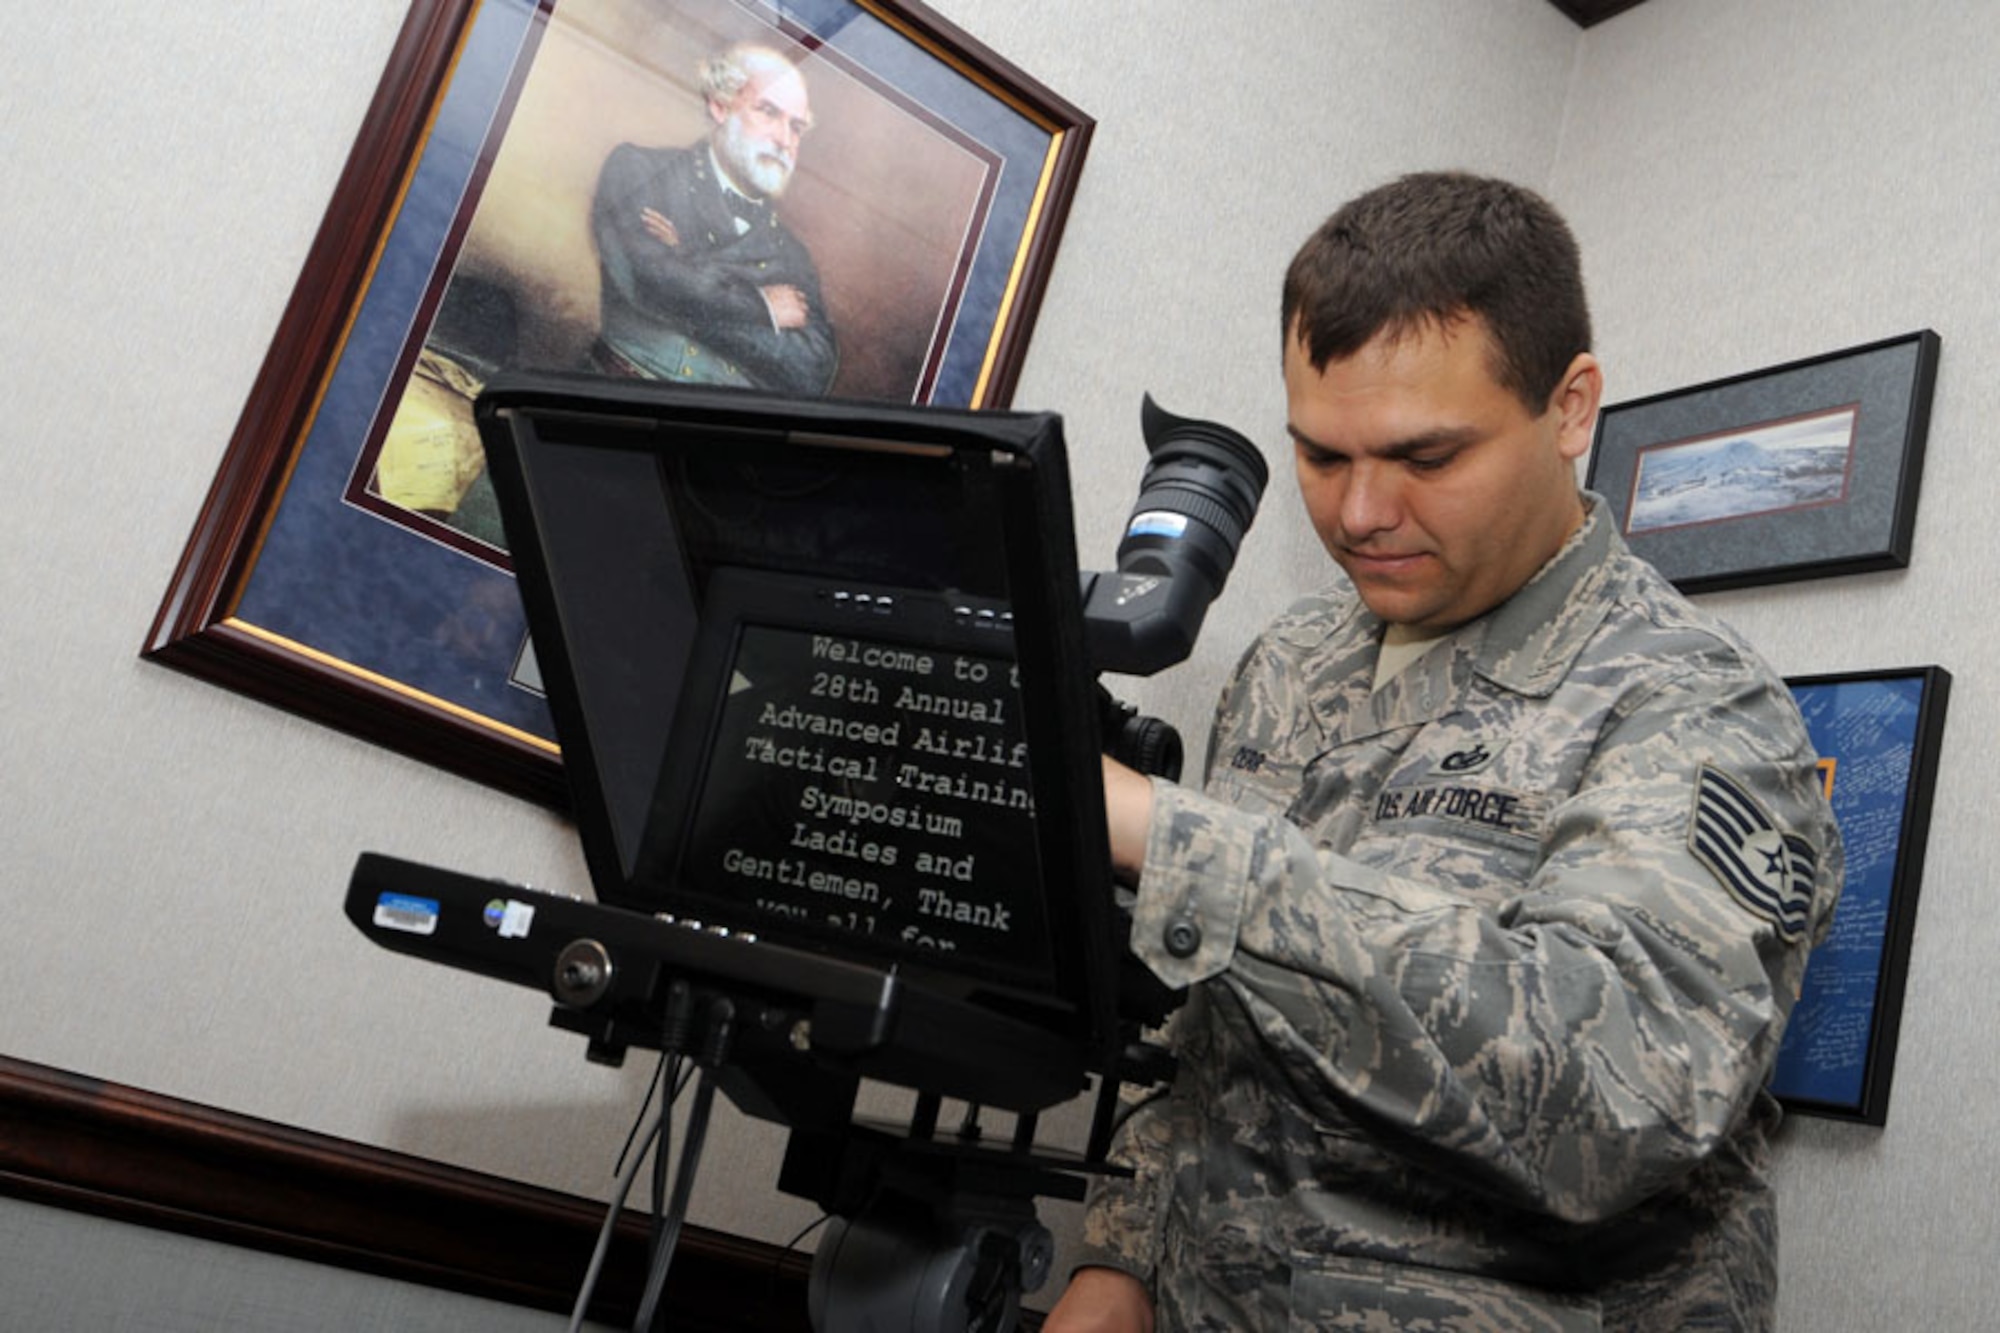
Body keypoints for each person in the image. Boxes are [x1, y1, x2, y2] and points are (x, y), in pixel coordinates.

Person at [1046, 172, 1843, 1332]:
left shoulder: (1696, 707)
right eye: (1320, 458)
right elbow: (1216, 1033)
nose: (1359, 512)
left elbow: (1616, 1098)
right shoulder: (1292, 660)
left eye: (1423, 457)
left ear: (1570, 408)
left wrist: (1168, 840)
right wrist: (1114, 1261)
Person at [588, 41, 838, 394]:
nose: (784, 139)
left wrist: (687, 267)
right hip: (617, 401)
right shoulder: (639, 170)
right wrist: (762, 307)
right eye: (767, 111)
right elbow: (648, 282)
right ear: (720, 106)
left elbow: (812, 371)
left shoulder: (793, 254)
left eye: (796, 127)